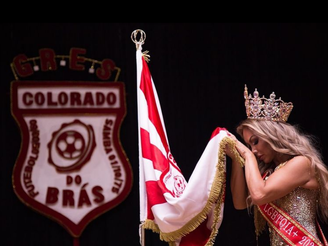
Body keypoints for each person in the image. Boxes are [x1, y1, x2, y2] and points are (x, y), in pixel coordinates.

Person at [224, 84, 328, 246]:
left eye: (255, 142)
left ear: (272, 134)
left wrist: (247, 155)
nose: (254, 150)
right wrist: (237, 158)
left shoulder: (302, 163)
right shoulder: (270, 173)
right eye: (250, 146)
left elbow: (259, 195)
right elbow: (239, 203)